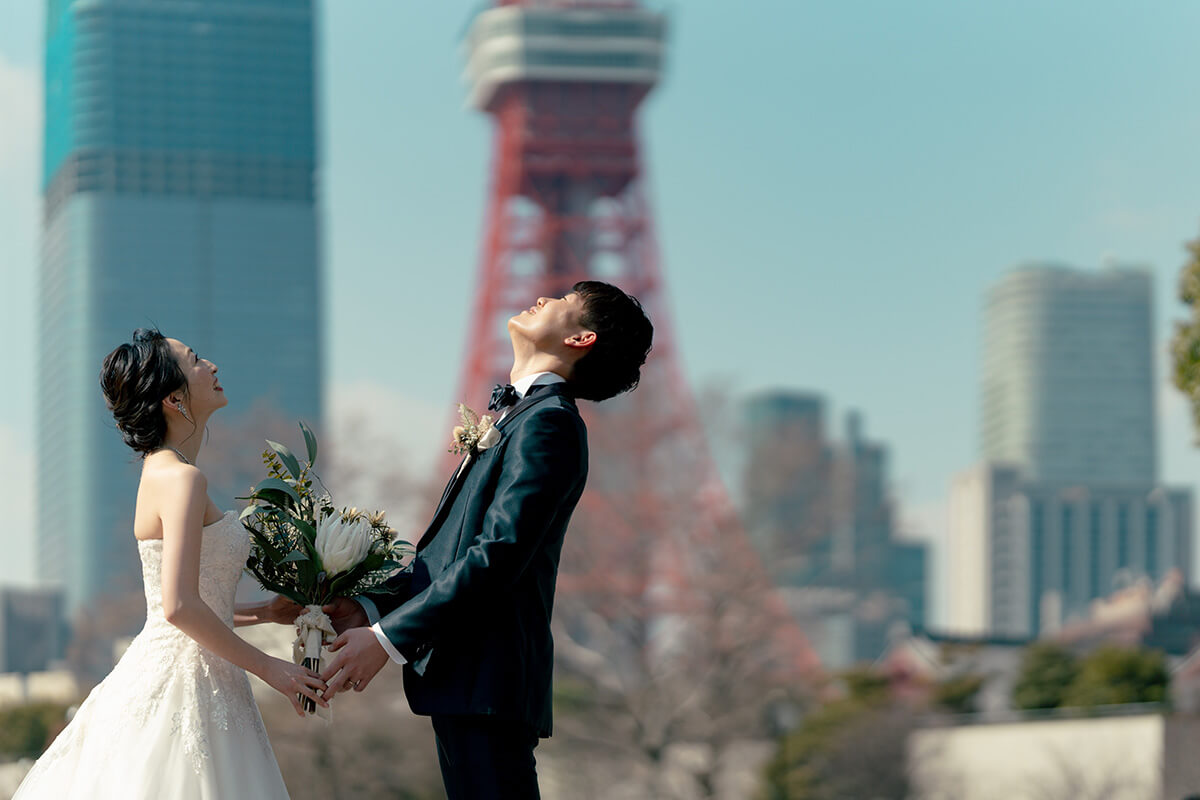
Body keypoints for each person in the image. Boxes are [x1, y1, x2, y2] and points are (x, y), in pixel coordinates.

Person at [320, 281, 654, 799]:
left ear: (581, 339)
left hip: (487, 679)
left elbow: (499, 554)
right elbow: (446, 555)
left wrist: (387, 640)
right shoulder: (516, 418)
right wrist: (365, 605)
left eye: (563, 301)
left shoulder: (549, 424)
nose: (544, 299)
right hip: (467, 678)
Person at [14, 328, 327, 799]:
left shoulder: (160, 470)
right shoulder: (182, 479)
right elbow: (179, 609)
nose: (213, 366)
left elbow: (175, 605)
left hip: (199, 674)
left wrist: (265, 612)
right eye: (196, 361)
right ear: (173, 398)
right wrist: (272, 669)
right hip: (189, 686)